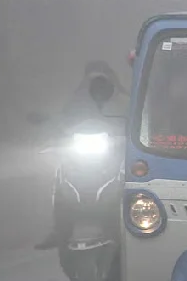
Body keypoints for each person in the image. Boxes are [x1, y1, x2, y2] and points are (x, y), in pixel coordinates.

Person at [35, 61, 129, 250]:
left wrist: (129, 136)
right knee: (61, 175)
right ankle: (60, 230)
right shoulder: (76, 99)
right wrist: (53, 131)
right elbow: (62, 120)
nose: (96, 78)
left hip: (115, 152)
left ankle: (133, 223)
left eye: (100, 74)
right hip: (81, 151)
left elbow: (137, 121)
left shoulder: (123, 100)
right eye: (92, 74)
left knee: (134, 174)